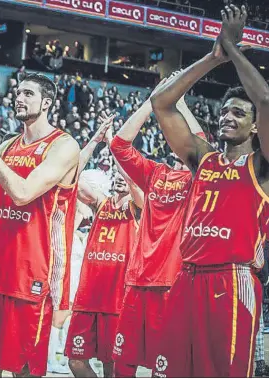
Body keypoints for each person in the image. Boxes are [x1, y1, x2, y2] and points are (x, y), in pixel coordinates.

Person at [149, 6, 269, 377]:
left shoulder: (262, 167)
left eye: (237, 113)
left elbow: (265, 101)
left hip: (232, 280)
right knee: (168, 372)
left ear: (254, 128)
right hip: (187, 277)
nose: (226, 117)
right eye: (224, 111)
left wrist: (233, 50)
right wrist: (212, 56)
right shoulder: (203, 158)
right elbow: (161, 102)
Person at [0, 73, 81, 377]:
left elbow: (23, 192)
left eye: (28, 93)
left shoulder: (64, 146)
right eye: (18, 92)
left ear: (46, 102)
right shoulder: (8, 145)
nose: (19, 97)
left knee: (24, 369)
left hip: (31, 275)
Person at [108, 76, 206, 377]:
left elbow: (204, 149)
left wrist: (180, 103)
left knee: (164, 367)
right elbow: (119, 145)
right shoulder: (155, 173)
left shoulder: (199, 177)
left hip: (173, 283)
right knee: (122, 363)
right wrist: (153, 101)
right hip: (138, 279)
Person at [65, 119, 143, 378]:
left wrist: (113, 141)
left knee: (113, 368)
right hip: (88, 296)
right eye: (116, 176)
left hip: (117, 299)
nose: (120, 179)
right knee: (75, 362)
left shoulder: (139, 208)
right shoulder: (101, 203)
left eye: (124, 176)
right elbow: (71, 174)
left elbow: (133, 177)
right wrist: (95, 140)